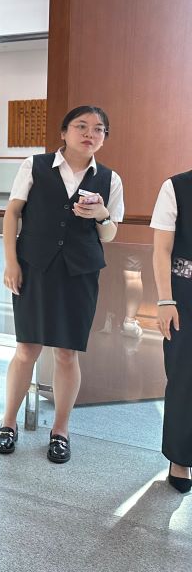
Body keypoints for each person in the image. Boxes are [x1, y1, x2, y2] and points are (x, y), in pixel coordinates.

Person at [0, 106, 124, 464]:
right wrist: (10, 262)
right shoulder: (35, 165)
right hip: (34, 267)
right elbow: (12, 213)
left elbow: (110, 235)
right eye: (81, 126)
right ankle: (8, 423)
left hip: (80, 273)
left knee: (67, 353)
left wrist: (102, 215)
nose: (90, 134)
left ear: (104, 138)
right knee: (27, 349)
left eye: (98, 129)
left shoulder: (110, 179)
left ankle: (61, 431)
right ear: (64, 132)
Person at [151, 172, 192, 493]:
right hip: (185, 295)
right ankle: (180, 459)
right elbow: (162, 250)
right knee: (183, 378)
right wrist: (166, 300)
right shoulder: (176, 187)